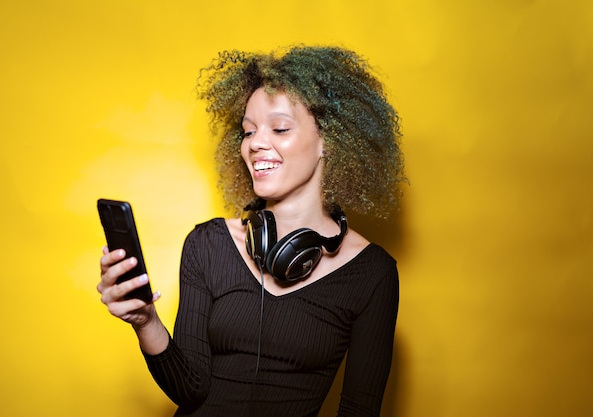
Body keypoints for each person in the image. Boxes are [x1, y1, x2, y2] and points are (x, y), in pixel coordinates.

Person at [97, 45, 406, 417]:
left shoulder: (373, 274)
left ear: (329, 140)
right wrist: (146, 320)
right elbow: (189, 388)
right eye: (248, 131)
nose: (256, 143)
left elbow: (359, 409)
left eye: (279, 128)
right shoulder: (207, 244)